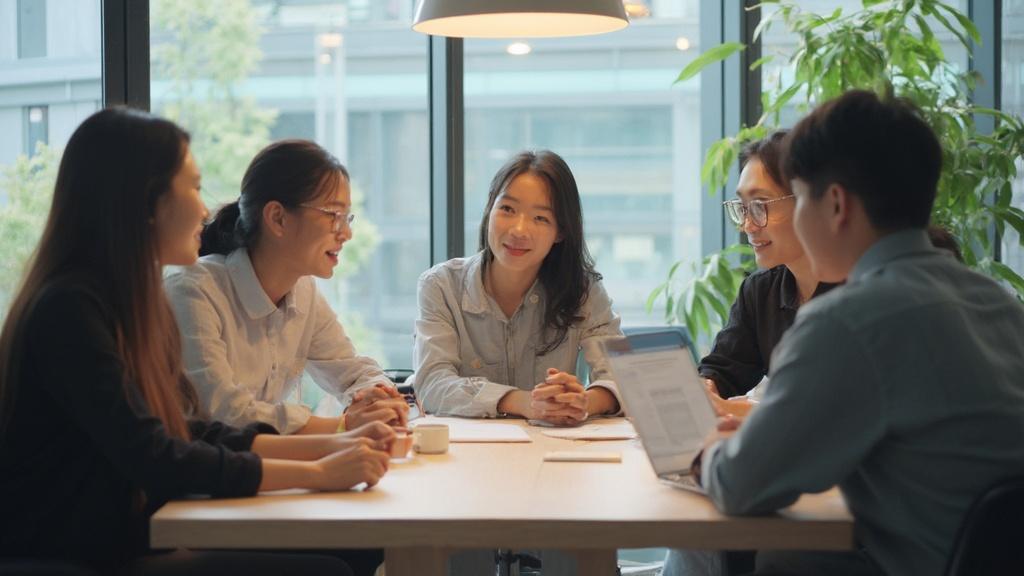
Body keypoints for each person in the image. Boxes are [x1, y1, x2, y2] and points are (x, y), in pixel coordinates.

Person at [0, 108, 395, 575]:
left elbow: (187, 432)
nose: (207, 209)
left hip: (128, 532)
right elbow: (159, 456)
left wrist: (333, 445)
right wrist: (319, 471)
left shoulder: (123, 303)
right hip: (82, 551)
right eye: (193, 186)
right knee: (329, 568)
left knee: (359, 550)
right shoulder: (70, 310)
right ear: (143, 203)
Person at [694, 90, 1024, 575]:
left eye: (800, 198)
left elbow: (742, 485)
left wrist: (706, 451)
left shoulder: (846, 323)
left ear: (835, 205)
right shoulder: (997, 303)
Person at [165, 140, 408, 435]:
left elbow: (350, 368)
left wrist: (377, 396)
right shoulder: (194, 292)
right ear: (278, 218)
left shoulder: (303, 292)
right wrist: (344, 426)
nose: (346, 233)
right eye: (333, 215)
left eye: (347, 217)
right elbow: (223, 412)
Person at [410, 150, 624, 425]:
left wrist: (583, 402)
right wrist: (523, 402)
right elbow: (432, 384)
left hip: (557, 453)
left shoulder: (584, 290)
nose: (519, 230)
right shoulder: (441, 286)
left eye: (540, 218)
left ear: (561, 232)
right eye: (508, 209)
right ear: (489, 210)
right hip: (470, 458)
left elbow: (623, 377)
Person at [699, 131, 838, 419]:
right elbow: (724, 369)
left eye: (760, 206)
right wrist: (706, 390)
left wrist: (729, 409)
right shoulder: (761, 291)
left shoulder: (860, 292)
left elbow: (824, 407)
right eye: (743, 208)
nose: (747, 225)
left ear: (809, 202)